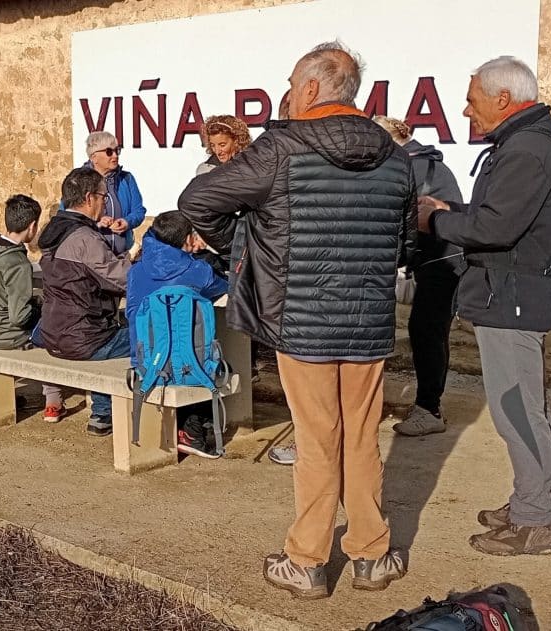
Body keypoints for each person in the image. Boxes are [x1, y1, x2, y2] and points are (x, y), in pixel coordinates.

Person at [179, 41, 414, 599]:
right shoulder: (396, 155)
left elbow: (197, 201)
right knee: (361, 438)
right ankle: (372, 555)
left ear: (310, 88)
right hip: (369, 320)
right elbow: (402, 242)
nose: (285, 92)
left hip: (302, 318)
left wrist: (242, 242)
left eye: (289, 83)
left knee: (316, 440)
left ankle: (307, 560)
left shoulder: (280, 148)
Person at [419, 56, 551, 557]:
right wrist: (454, 213)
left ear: (502, 99)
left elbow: (495, 230)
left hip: (513, 300)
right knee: (523, 407)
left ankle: (534, 521)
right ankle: (529, 499)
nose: (465, 112)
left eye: (471, 100)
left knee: (517, 410)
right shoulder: (527, 143)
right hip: (511, 295)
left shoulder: (526, 149)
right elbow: (497, 219)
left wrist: (435, 222)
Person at [373, 115, 466, 436]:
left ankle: (430, 409)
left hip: (440, 259)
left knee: (426, 332)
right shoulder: (427, 163)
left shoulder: (407, 167)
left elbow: (400, 224)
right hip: (444, 258)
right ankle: (428, 405)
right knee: (429, 331)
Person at [35, 167, 131, 436]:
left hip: (52, 332)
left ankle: (102, 415)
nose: (104, 202)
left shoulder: (52, 232)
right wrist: (137, 262)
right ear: (89, 198)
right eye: (103, 196)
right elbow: (123, 281)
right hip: (82, 338)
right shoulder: (84, 239)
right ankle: (148, 416)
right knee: (152, 335)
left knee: (105, 330)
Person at [124, 210, 229, 458]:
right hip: (184, 366)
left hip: (145, 363)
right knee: (203, 358)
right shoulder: (197, 271)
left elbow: (131, 312)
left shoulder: (135, 272)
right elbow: (225, 287)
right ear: (186, 239)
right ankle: (192, 431)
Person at [0, 195, 60, 419]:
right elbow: (19, 317)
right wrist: (40, 305)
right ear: (32, 226)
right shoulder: (16, 262)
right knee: (57, 327)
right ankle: (53, 399)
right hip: (9, 334)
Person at [79, 131, 146, 255]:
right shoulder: (78, 180)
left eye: (117, 150)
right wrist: (96, 224)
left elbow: (139, 211)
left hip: (123, 255)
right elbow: (69, 216)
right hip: (92, 256)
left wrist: (126, 222)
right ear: (94, 157)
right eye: (109, 152)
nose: (115, 155)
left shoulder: (126, 179)